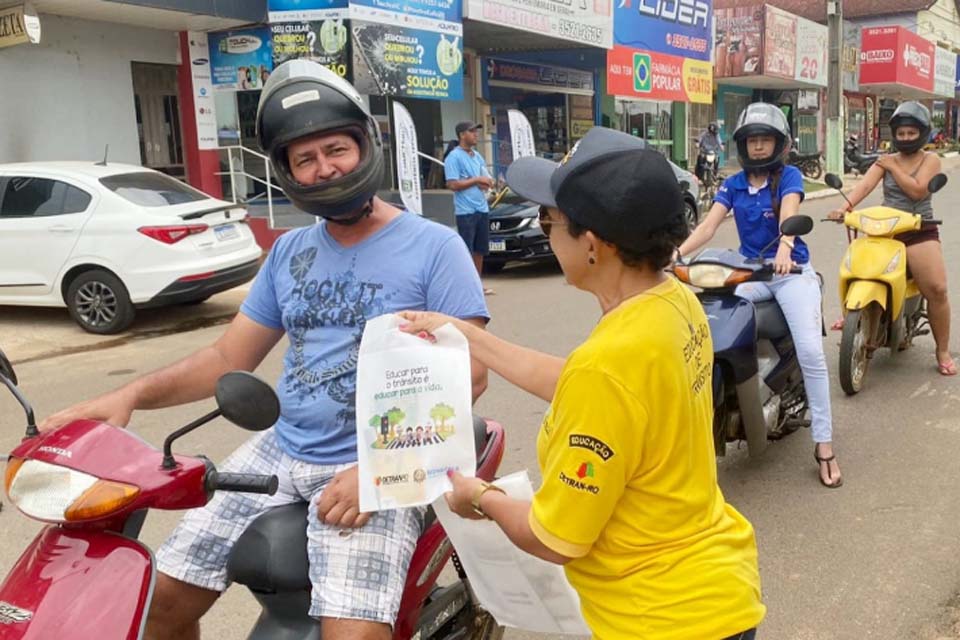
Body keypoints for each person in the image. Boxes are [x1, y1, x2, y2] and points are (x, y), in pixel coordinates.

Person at [38, 60, 490, 640]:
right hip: (279, 450)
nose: (325, 168)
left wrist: (378, 472)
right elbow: (228, 360)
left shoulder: (436, 248)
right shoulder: (289, 252)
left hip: (377, 458)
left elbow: (469, 374)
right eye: (306, 159)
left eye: (336, 149)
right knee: (157, 604)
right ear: (288, 173)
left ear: (365, 145)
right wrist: (127, 395)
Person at [400, 127, 765, 639]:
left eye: (549, 221)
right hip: (714, 588)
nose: (545, 232)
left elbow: (555, 538)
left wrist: (479, 498)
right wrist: (464, 335)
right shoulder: (673, 302)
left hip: (658, 618)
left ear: (592, 245)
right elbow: (584, 387)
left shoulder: (611, 361)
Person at [679, 102, 842, 489]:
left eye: (764, 139)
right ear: (742, 144)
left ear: (778, 144)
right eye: (752, 140)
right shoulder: (733, 184)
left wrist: (785, 247)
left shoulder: (789, 177)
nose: (757, 147)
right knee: (705, 325)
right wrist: (675, 255)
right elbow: (707, 228)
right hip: (750, 271)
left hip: (790, 274)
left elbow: (790, 217)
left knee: (812, 353)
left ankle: (824, 443)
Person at [828, 101, 954, 376]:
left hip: (919, 228)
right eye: (901, 133)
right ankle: (854, 313)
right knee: (858, 268)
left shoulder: (930, 160)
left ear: (921, 133)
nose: (906, 138)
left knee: (937, 289)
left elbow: (918, 191)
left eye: (911, 133)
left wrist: (893, 166)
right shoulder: (884, 161)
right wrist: (844, 207)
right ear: (893, 134)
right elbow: (864, 185)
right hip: (885, 229)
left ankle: (942, 350)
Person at [444, 120, 495, 295]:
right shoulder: (454, 157)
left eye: (476, 131)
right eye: (472, 131)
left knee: (480, 250)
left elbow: (485, 177)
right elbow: (452, 184)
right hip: (465, 212)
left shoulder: (477, 155)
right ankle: (464, 287)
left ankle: (477, 285)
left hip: (482, 208)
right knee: (467, 250)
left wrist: (489, 182)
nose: (476, 134)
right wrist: (476, 180)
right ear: (462, 135)